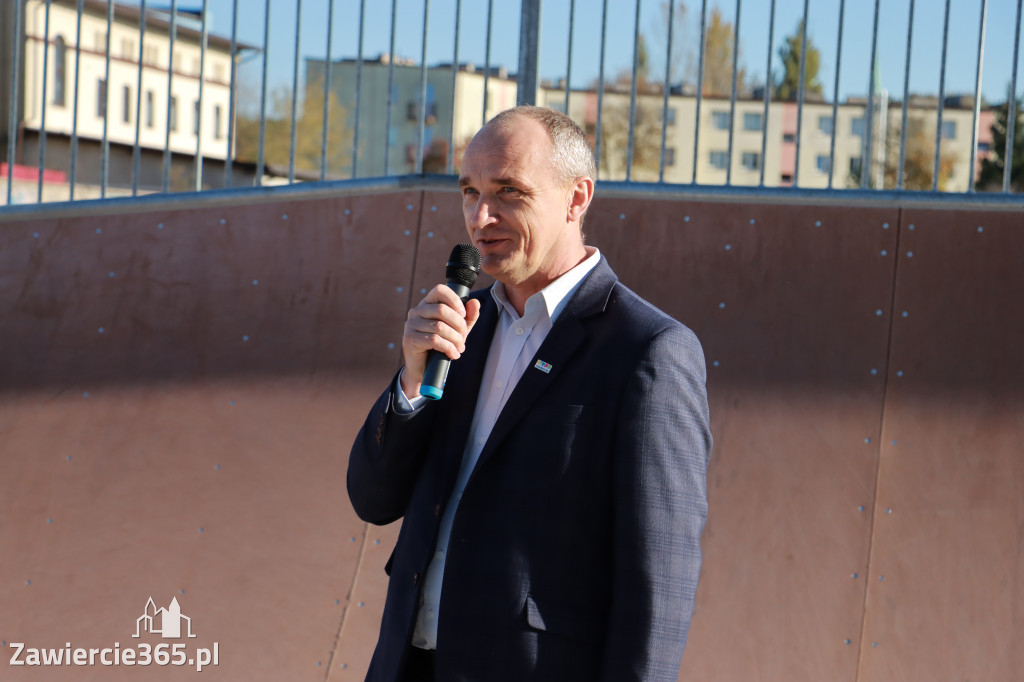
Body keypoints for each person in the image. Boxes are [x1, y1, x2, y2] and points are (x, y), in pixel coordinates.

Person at [348, 105, 711, 681]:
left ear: (577, 198)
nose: (480, 215)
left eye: (509, 191)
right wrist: (412, 382)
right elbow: (373, 500)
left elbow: (657, 590)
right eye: (469, 191)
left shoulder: (648, 351)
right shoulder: (461, 328)